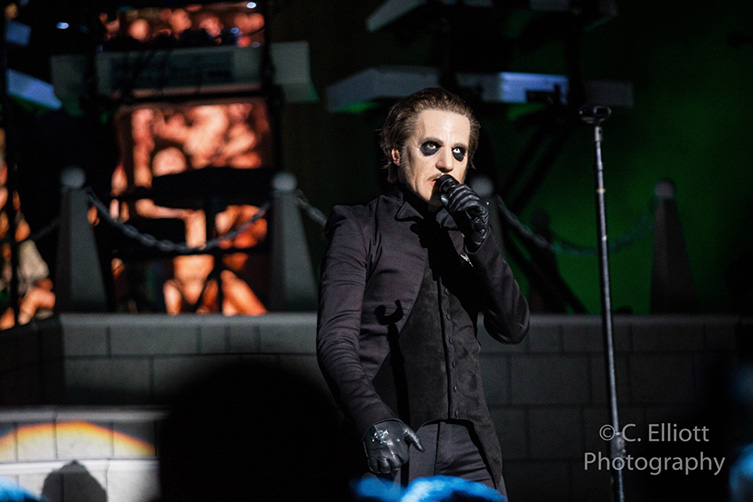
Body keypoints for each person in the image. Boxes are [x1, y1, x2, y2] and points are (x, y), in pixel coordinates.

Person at [316, 88, 530, 498]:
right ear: (397, 153)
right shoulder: (360, 225)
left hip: (471, 443)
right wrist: (372, 419)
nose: (446, 162)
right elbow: (334, 341)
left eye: (459, 152)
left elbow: (513, 327)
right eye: (431, 146)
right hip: (395, 437)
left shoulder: (466, 234)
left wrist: (481, 242)